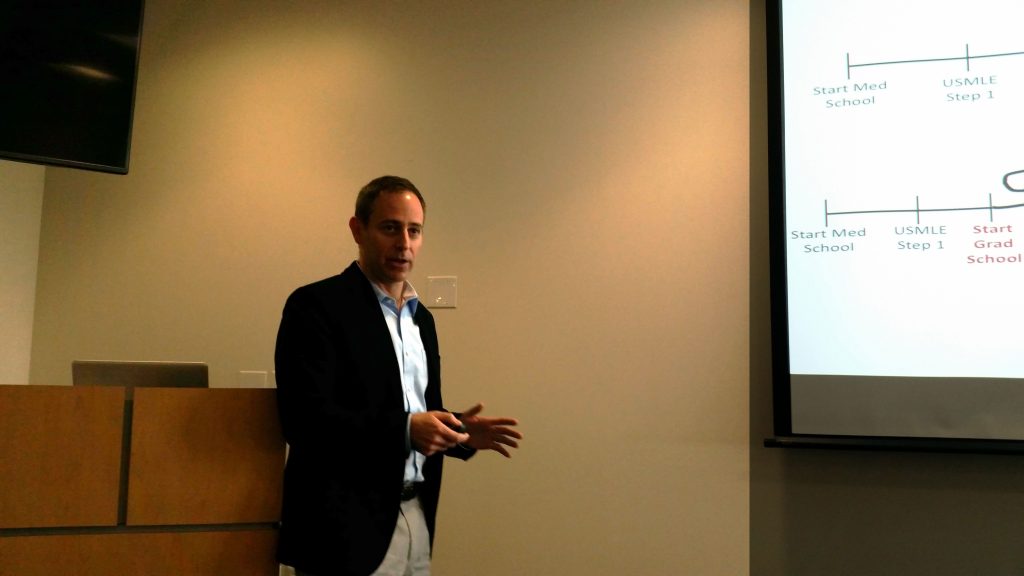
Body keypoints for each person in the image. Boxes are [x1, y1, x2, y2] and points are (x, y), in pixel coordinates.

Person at [274, 175, 522, 576]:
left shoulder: (421, 319)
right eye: (390, 227)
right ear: (358, 229)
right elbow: (304, 420)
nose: (403, 243)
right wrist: (407, 429)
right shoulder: (316, 306)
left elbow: (418, 410)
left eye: (414, 230)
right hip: (343, 533)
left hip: (415, 517)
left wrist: (459, 434)